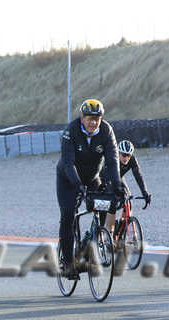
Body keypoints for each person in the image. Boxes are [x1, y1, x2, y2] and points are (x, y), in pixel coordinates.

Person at [56, 99, 123, 279]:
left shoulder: (107, 131)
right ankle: (67, 263)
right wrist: (78, 186)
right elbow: (68, 163)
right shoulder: (71, 130)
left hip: (92, 177)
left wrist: (117, 185)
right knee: (68, 214)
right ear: (82, 118)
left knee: (104, 204)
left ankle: (91, 245)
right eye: (89, 118)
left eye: (97, 119)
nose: (93, 122)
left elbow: (112, 160)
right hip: (68, 179)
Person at [98, 139, 152, 230]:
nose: (126, 158)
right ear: (118, 153)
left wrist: (145, 192)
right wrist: (117, 191)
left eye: (129, 155)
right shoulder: (112, 159)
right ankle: (109, 230)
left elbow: (138, 176)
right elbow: (109, 179)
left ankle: (121, 227)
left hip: (118, 178)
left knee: (128, 200)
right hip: (104, 179)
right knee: (112, 203)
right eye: (123, 155)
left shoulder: (132, 160)